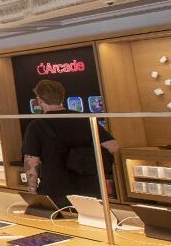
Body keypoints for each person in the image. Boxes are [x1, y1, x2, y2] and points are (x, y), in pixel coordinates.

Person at [23, 79, 119, 208]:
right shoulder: (84, 119)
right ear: (62, 97)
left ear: (39, 101)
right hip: (89, 187)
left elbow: (31, 162)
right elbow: (113, 146)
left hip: (56, 189)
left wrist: (33, 192)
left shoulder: (36, 126)